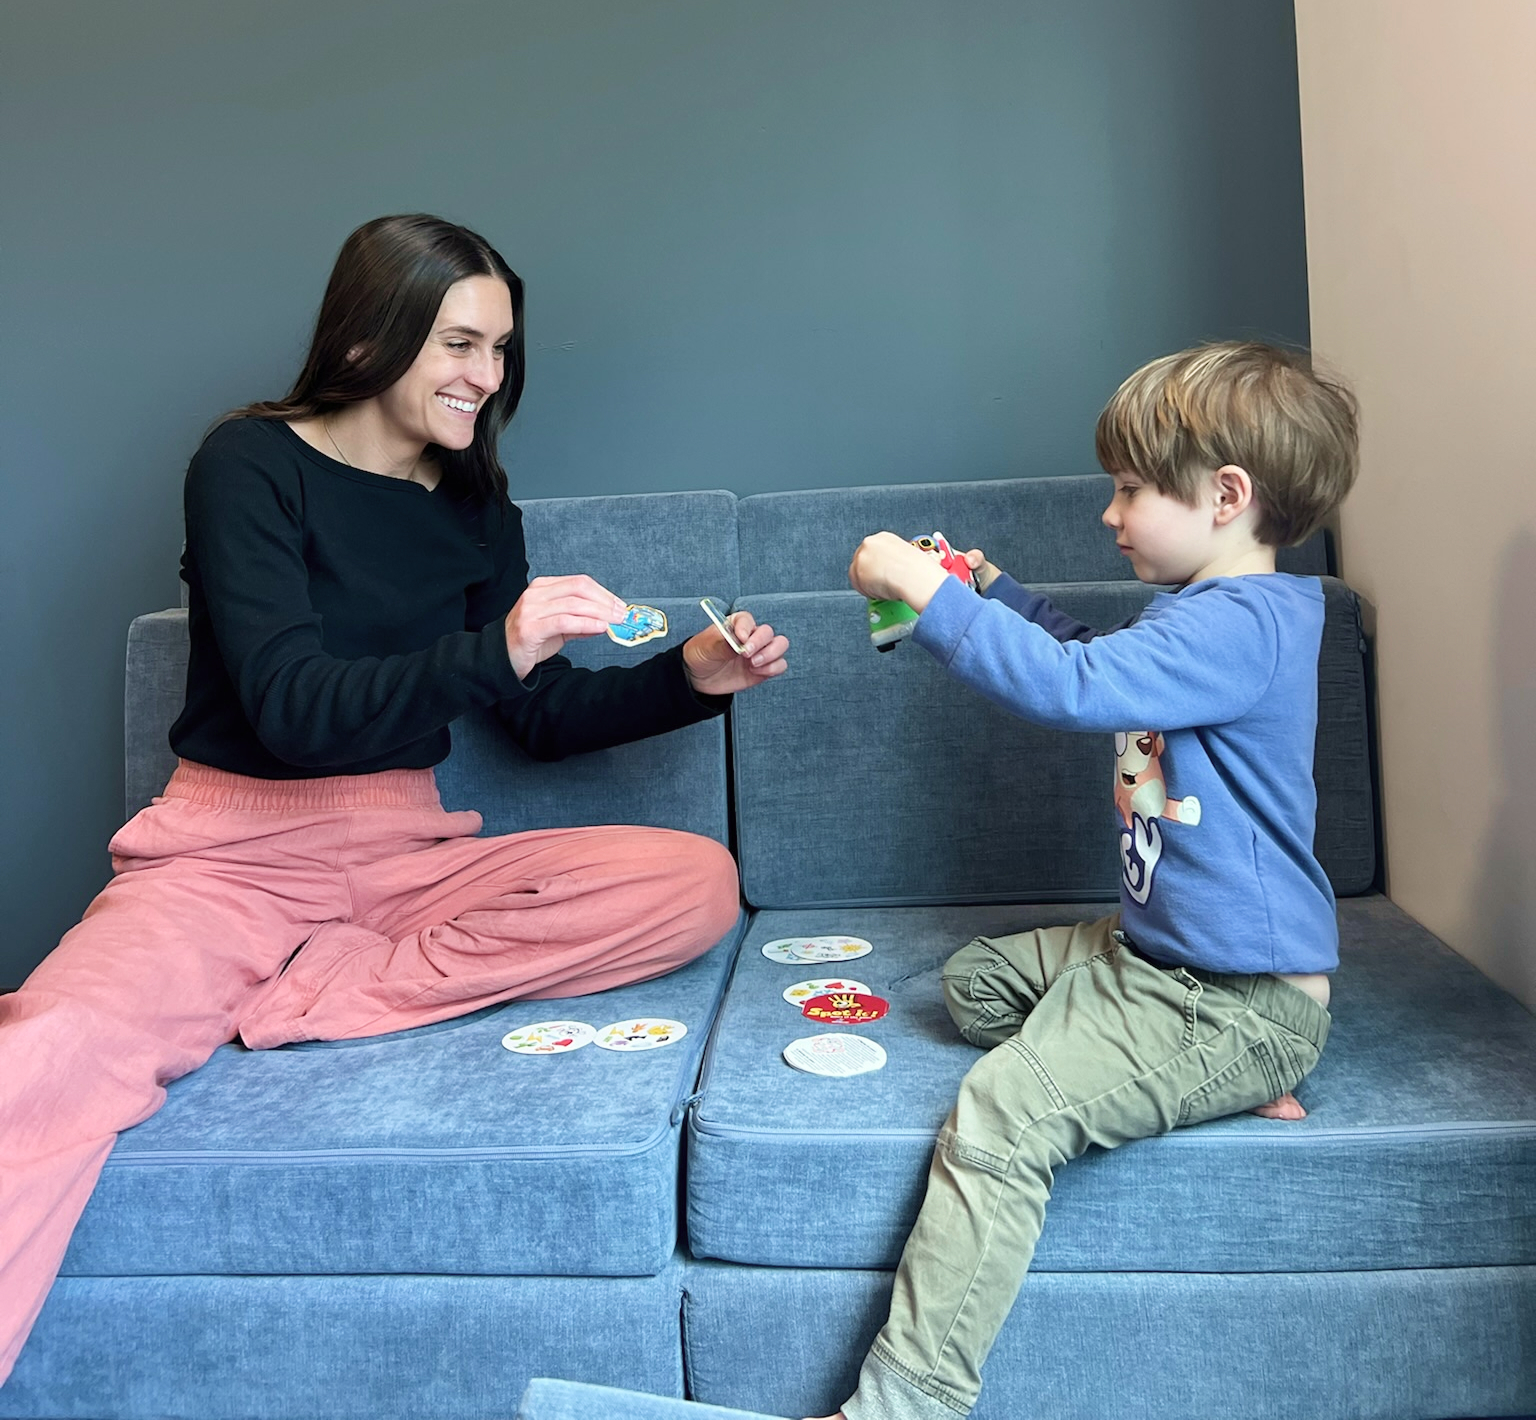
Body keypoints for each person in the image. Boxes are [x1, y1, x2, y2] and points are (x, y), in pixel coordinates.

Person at [0, 213, 787, 1386]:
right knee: (51, 1052)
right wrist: (499, 645)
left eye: (502, 349)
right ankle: (242, 971)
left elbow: (539, 715)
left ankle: (298, 987)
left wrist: (689, 677)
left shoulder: (476, 507)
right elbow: (289, 704)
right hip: (227, 854)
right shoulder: (247, 463)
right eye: (460, 343)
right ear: (375, 333)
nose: (487, 376)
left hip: (401, 857)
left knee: (693, 882)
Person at [826, 340, 1359, 1420]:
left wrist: (928, 595)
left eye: (1129, 489)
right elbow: (1096, 660)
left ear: (1226, 495)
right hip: (1157, 956)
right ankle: (1157, 1066)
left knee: (1002, 1114)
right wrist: (990, 591)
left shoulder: (1247, 623)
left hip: (1234, 994)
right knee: (974, 984)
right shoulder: (1196, 617)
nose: (1110, 514)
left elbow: (1075, 686)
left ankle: (906, 1402)